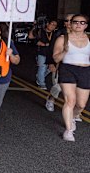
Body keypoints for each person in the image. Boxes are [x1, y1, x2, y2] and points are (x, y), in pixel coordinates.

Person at [52, 14, 90, 142]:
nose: (78, 24)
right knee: (70, 101)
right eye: (75, 22)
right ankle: (68, 130)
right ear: (71, 24)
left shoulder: (89, 38)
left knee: (81, 104)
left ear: (86, 25)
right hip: (68, 69)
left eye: (82, 22)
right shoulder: (63, 39)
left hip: (85, 70)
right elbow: (56, 58)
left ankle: (73, 116)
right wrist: (64, 52)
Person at [44, 14, 74, 112]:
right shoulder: (59, 34)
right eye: (66, 21)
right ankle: (51, 98)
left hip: (76, 66)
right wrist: (51, 63)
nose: (69, 23)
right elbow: (51, 49)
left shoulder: (81, 35)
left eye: (71, 20)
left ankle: (74, 112)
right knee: (58, 86)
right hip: (60, 64)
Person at [29, 18, 58, 89]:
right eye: (52, 24)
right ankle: (41, 83)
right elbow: (32, 38)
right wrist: (34, 27)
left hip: (51, 53)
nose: (53, 26)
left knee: (51, 68)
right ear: (48, 24)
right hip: (41, 53)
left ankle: (39, 76)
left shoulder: (55, 34)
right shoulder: (40, 31)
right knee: (42, 67)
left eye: (55, 25)